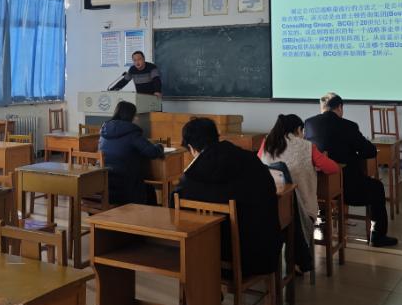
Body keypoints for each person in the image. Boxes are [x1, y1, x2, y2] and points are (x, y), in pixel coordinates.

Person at [173, 118, 281, 277]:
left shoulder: (189, 179)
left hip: (213, 261)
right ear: (217, 136)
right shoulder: (251, 160)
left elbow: (177, 218)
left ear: (191, 147)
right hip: (266, 254)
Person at [304, 93, 398, 247]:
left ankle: (323, 223)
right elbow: (370, 151)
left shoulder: (309, 124)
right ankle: (377, 236)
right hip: (348, 188)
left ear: (322, 108)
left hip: (319, 188)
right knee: (377, 188)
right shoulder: (349, 126)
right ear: (340, 107)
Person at [259, 114, 338, 271]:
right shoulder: (307, 147)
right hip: (301, 212)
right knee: (298, 217)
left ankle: (289, 263)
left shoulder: (267, 143)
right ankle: (296, 262)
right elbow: (333, 168)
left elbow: (259, 164)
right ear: (298, 130)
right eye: (303, 131)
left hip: (270, 209)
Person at [99, 100, 165, 205]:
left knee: (148, 189)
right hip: (126, 187)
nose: (137, 118)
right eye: (135, 115)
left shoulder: (104, 132)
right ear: (130, 116)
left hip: (106, 184)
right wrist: (160, 146)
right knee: (149, 189)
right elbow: (152, 152)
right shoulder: (132, 133)